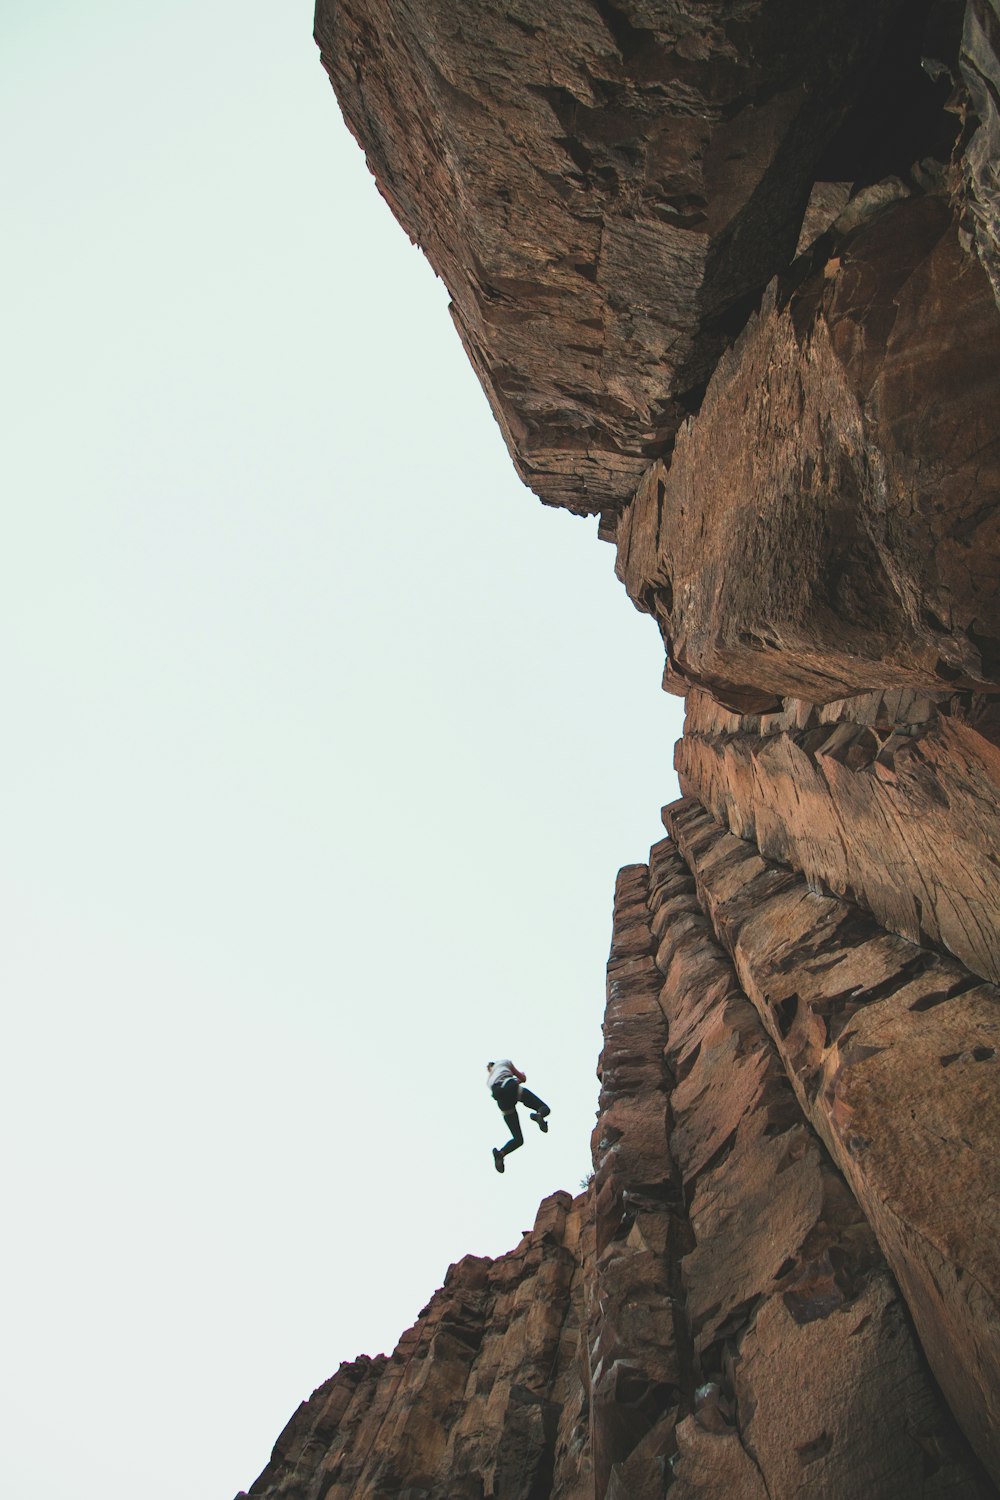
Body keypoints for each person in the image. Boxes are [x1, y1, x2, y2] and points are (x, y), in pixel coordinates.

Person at [487, 1059, 550, 1172]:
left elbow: (500, 1091)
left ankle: (501, 1154)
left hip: (502, 1102)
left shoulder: (489, 1080)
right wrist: (520, 1079)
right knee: (544, 1108)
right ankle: (539, 1115)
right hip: (511, 1087)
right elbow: (523, 1078)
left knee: (518, 1139)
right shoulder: (504, 1062)